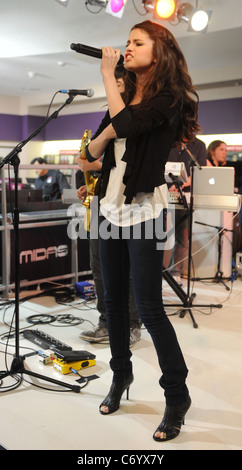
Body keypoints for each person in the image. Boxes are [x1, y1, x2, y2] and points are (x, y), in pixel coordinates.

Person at [82, 20, 200, 442]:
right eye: (126, 42)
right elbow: (89, 153)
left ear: (160, 50)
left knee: (148, 308)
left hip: (145, 211)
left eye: (137, 42)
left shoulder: (169, 99)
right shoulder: (125, 97)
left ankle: (177, 394)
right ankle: (121, 377)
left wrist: (112, 101)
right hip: (109, 208)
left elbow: (125, 128)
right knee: (112, 302)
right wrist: (110, 128)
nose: (126, 49)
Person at [77, 65, 142, 346]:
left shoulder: (139, 115)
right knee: (98, 265)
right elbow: (91, 156)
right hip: (102, 200)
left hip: (129, 203)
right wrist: (93, 182)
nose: (112, 86)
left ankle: (132, 324)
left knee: (126, 269)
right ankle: (107, 322)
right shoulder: (109, 116)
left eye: (117, 81)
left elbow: (133, 159)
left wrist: (99, 165)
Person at [166, 138, 207, 285]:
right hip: (160, 193)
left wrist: (180, 185)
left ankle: (175, 272)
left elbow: (198, 172)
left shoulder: (199, 146)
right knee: (154, 236)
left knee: (182, 235)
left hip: (185, 196)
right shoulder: (167, 140)